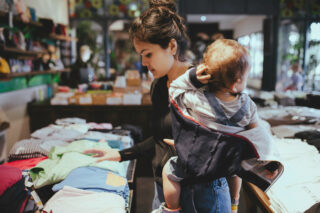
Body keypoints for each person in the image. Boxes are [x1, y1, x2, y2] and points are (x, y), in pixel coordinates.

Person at [83, 0, 231, 212]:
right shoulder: (159, 86)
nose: (143, 63)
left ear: (171, 46)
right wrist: (121, 154)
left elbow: (230, 144)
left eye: (148, 54)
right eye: (141, 55)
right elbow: (161, 140)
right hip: (164, 189)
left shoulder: (203, 83)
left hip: (200, 194)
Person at [160, 39, 259, 213]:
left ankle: (171, 209)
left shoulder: (196, 99)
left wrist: (192, 78)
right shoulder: (248, 106)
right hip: (217, 180)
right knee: (237, 162)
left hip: (187, 171)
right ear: (237, 82)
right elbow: (255, 134)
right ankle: (235, 203)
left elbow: (174, 90)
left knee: (169, 170)